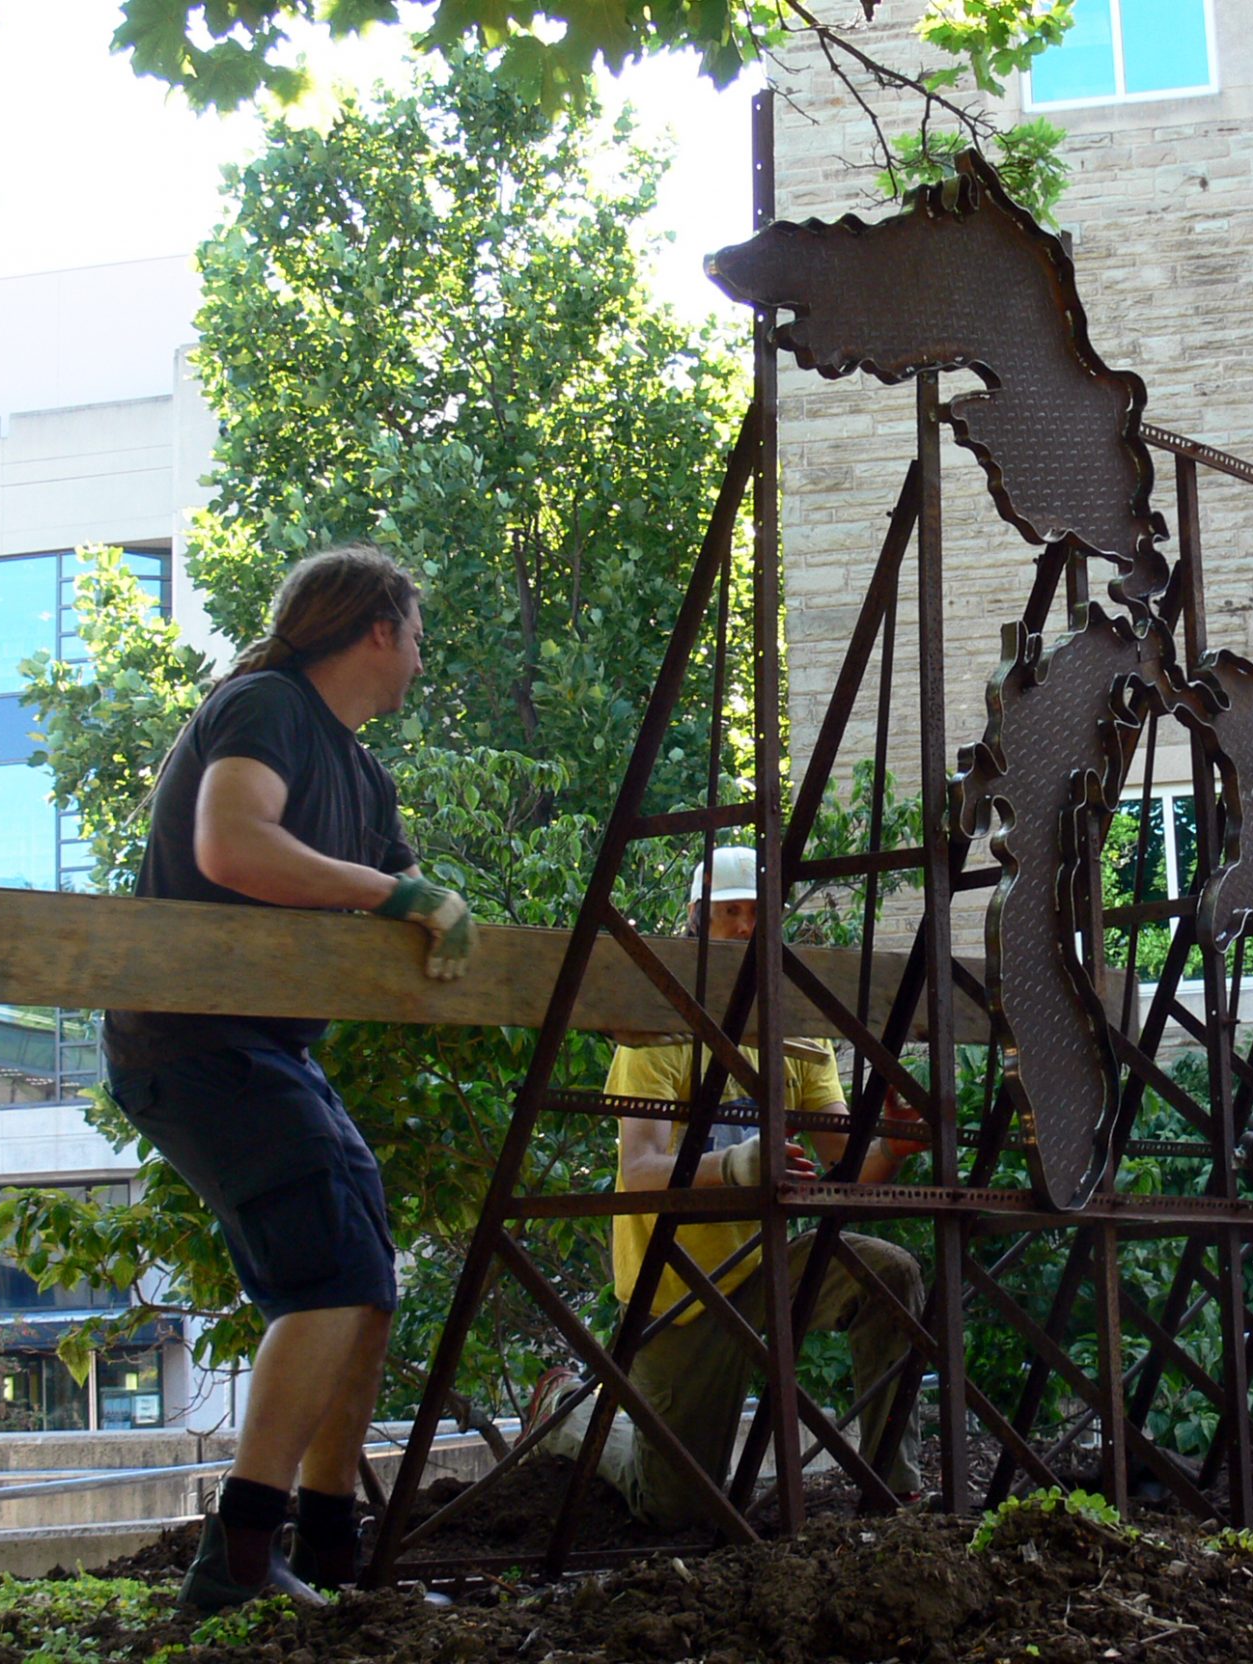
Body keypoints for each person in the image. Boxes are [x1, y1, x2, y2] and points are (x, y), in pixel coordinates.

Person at [102, 544, 475, 1609]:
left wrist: (421, 904)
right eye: (417, 636)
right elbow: (231, 844)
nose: (420, 660)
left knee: (367, 1288)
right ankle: (239, 1563)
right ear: (375, 630)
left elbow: (397, 888)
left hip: (271, 1046)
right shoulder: (263, 705)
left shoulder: (362, 774)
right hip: (193, 1040)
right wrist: (398, 899)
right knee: (330, 1277)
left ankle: (327, 1557)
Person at [532, 847, 927, 1528]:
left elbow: (845, 1163)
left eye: (757, 915)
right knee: (677, 1510)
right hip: (675, 1294)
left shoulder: (796, 1037)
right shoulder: (653, 1034)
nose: (745, 928)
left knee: (887, 1274)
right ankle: (573, 1411)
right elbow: (641, 1172)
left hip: (762, 1265)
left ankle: (891, 1493)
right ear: (695, 923)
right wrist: (737, 1165)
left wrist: (891, 1143)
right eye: (729, 914)